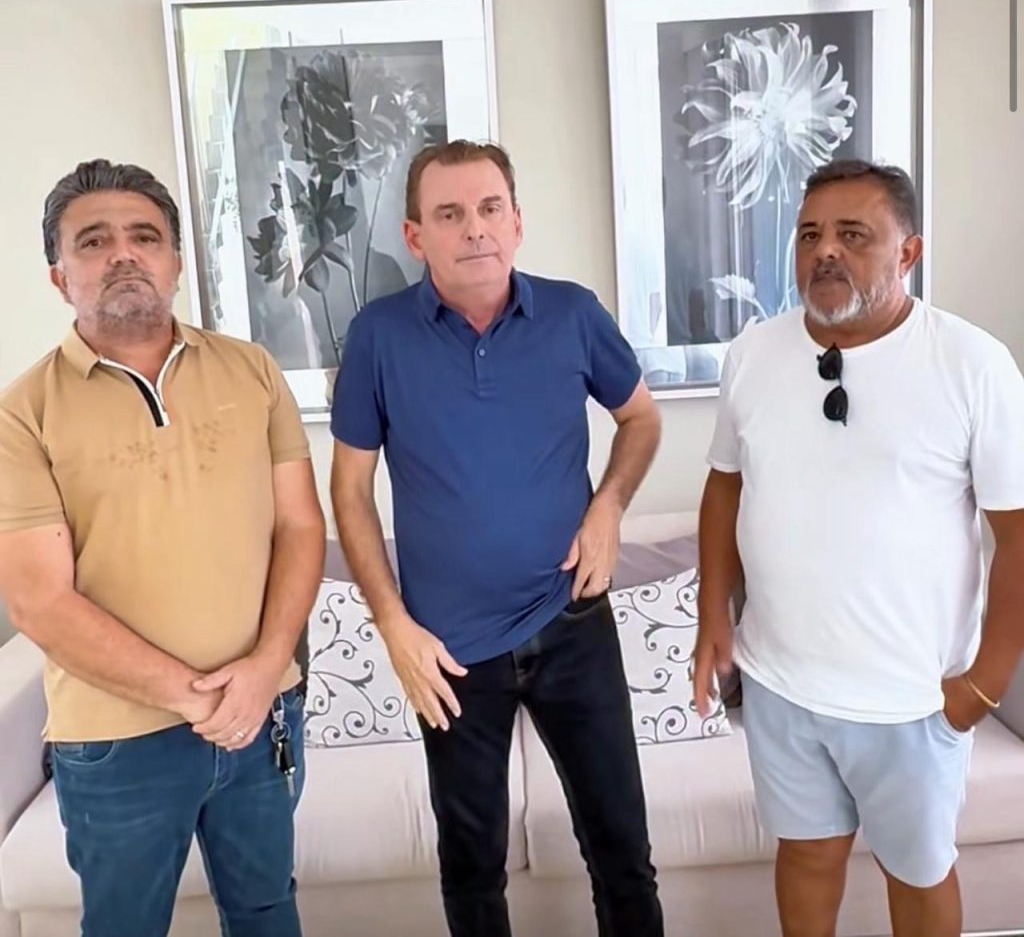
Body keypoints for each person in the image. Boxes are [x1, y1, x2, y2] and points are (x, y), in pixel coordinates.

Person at [330, 140, 664, 937]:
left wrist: (609, 508)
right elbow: (348, 491)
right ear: (416, 237)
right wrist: (394, 626)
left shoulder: (573, 314)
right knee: (472, 866)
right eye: (450, 214)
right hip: (447, 651)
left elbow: (641, 420)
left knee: (621, 851)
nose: (474, 228)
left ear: (517, 222)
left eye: (489, 209)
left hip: (572, 620)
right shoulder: (377, 336)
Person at [694, 158, 1024, 937]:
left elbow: (1016, 532)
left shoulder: (972, 363)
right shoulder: (753, 355)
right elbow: (724, 487)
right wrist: (712, 616)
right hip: (781, 681)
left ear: (908, 252)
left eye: (853, 235)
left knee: (918, 872)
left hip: (911, 696)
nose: (826, 252)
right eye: (809, 235)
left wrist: (986, 682)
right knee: (806, 857)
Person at [0, 160, 326, 937]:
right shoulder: (22, 413)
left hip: (263, 717)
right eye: (94, 241)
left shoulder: (252, 371)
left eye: (144, 237)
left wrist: (262, 672)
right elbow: (40, 600)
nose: (123, 253)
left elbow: (300, 528)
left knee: (268, 912)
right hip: (116, 740)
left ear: (176, 261)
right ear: (59, 276)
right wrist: (193, 697)